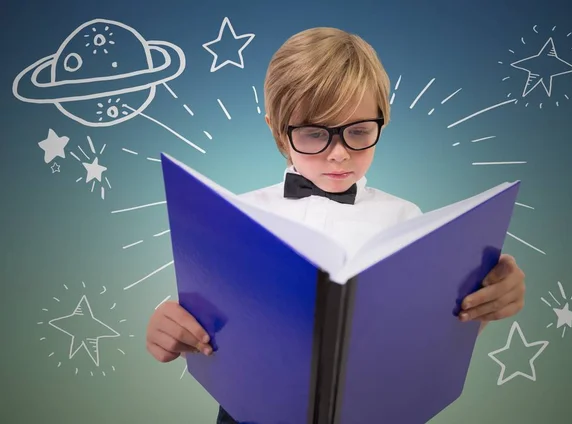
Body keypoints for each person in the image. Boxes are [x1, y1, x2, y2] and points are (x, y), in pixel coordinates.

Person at [145, 27, 526, 424]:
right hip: (249, 412)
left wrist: (488, 301)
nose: (339, 154)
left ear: (383, 119)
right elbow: (206, 312)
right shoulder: (239, 214)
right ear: (278, 128)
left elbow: (433, 336)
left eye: (359, 131)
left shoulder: (407, 220)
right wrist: (165, 327)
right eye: (313, 134)